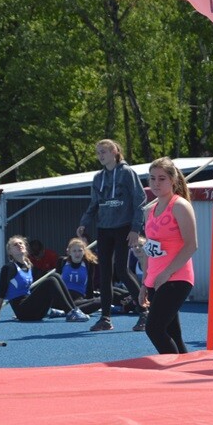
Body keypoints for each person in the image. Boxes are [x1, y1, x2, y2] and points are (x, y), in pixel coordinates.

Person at [76, 139, 149, 332]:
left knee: (121, 269)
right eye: (98, 152)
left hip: (124, 226)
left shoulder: (127, 173)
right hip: (104, 228)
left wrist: (136, 228)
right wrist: (84, 222)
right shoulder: (98, 178)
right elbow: (94, 204)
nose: (100, 156)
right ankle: (105, 318)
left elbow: (140, 200)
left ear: (115, 152)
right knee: (105, 272)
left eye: (104, 152)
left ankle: (144, 311)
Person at [136, 157, 197, 354]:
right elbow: (150, 250)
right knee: (173, 333)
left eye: (161, 178)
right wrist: (145, 282)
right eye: (152, 178)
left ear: (173, 180)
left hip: (176, 278)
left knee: (153, 329)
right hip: (156, 280)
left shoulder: (180, 206)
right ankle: (187, 377)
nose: (156, 183)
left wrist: (167, 273)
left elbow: (191, 245)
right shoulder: (149, 211)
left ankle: (173, 374)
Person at [0, 235, 89, 323]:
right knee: (51, 280)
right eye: (15, 244)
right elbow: (1, 294)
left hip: (37, 311)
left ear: (26, 247)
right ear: (10, 252)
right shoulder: (9, 268)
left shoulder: (29, 265)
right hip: (24, 312)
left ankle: (73, 310)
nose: (19, 245)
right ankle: (70, 312)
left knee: (56, 276)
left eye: (21, 243)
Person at [57, 237, 104, 315]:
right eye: (74, 251)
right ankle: (69, 310)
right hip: (63, 299)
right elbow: (57, 283)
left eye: (80, 251)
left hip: (78, 300)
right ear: (69, 252)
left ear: (84, 252)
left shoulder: (88, 264)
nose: (77, 254)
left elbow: (90, 285)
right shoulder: (62, 262)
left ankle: (65, 312)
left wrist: (91, 302)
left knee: (103, 300)